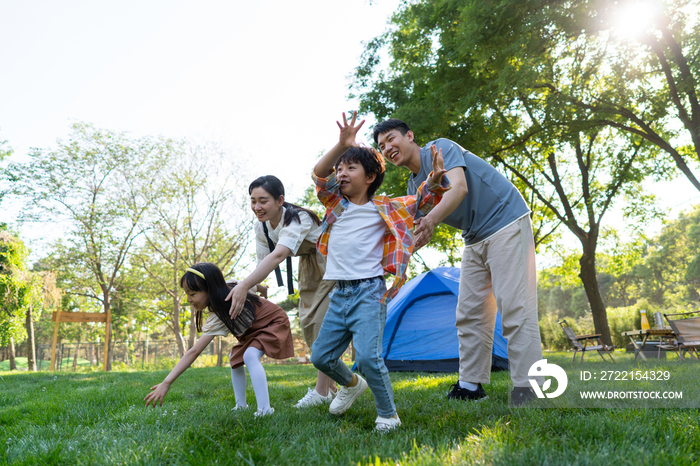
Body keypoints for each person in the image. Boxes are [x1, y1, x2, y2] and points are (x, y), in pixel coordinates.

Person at [373, 119, 543, 406]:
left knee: (515, 306)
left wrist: (431, 219)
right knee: (469, 312)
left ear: (410, 136)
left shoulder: (440, 149)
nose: (388, 148)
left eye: (391, 139)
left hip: (505, 221)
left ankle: (529, 385)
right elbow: (411, 225)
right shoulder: (416, 184)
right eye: (381, 146)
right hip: (474, 236)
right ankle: (470, 385)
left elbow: (459, 188)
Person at [310, 112, 451, 431]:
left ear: (370, 176)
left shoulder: (386, 207)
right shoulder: (335, 204)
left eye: (350, 167)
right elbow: (319, 175)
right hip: (340, 294)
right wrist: (342, 145)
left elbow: (423, 199)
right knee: (321, 357)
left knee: (370, 358)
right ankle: (350, 385)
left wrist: (433, 181)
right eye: (340, 168)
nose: (341, 173)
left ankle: (388, 415)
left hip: (369, 293)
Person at [225, 175, 338, 408]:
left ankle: (321, 391)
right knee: (308, 323)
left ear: (280, 200)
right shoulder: (261, 226)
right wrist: (248, 286)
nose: (257, 207)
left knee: (322, 323)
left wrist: (246, 286)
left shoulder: (299, 218)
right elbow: (262, 264)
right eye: (253, 201)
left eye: (263, 201)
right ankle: (332, 387)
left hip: (332, 263)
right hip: (308, 267)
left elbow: (278, 255)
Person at [144, 262, 294, 417]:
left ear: (210, 289)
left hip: (273, 323)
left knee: (249, 355)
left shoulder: (234, 290)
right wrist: (264, 290)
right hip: (252, 332)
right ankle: (241, 405)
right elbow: (256, 286)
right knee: (234, 358)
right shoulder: (219, 312)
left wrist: (167, 382)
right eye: (186, 293)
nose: (188, 299)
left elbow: (194, 351)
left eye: (192, 294)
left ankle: (265, 410)